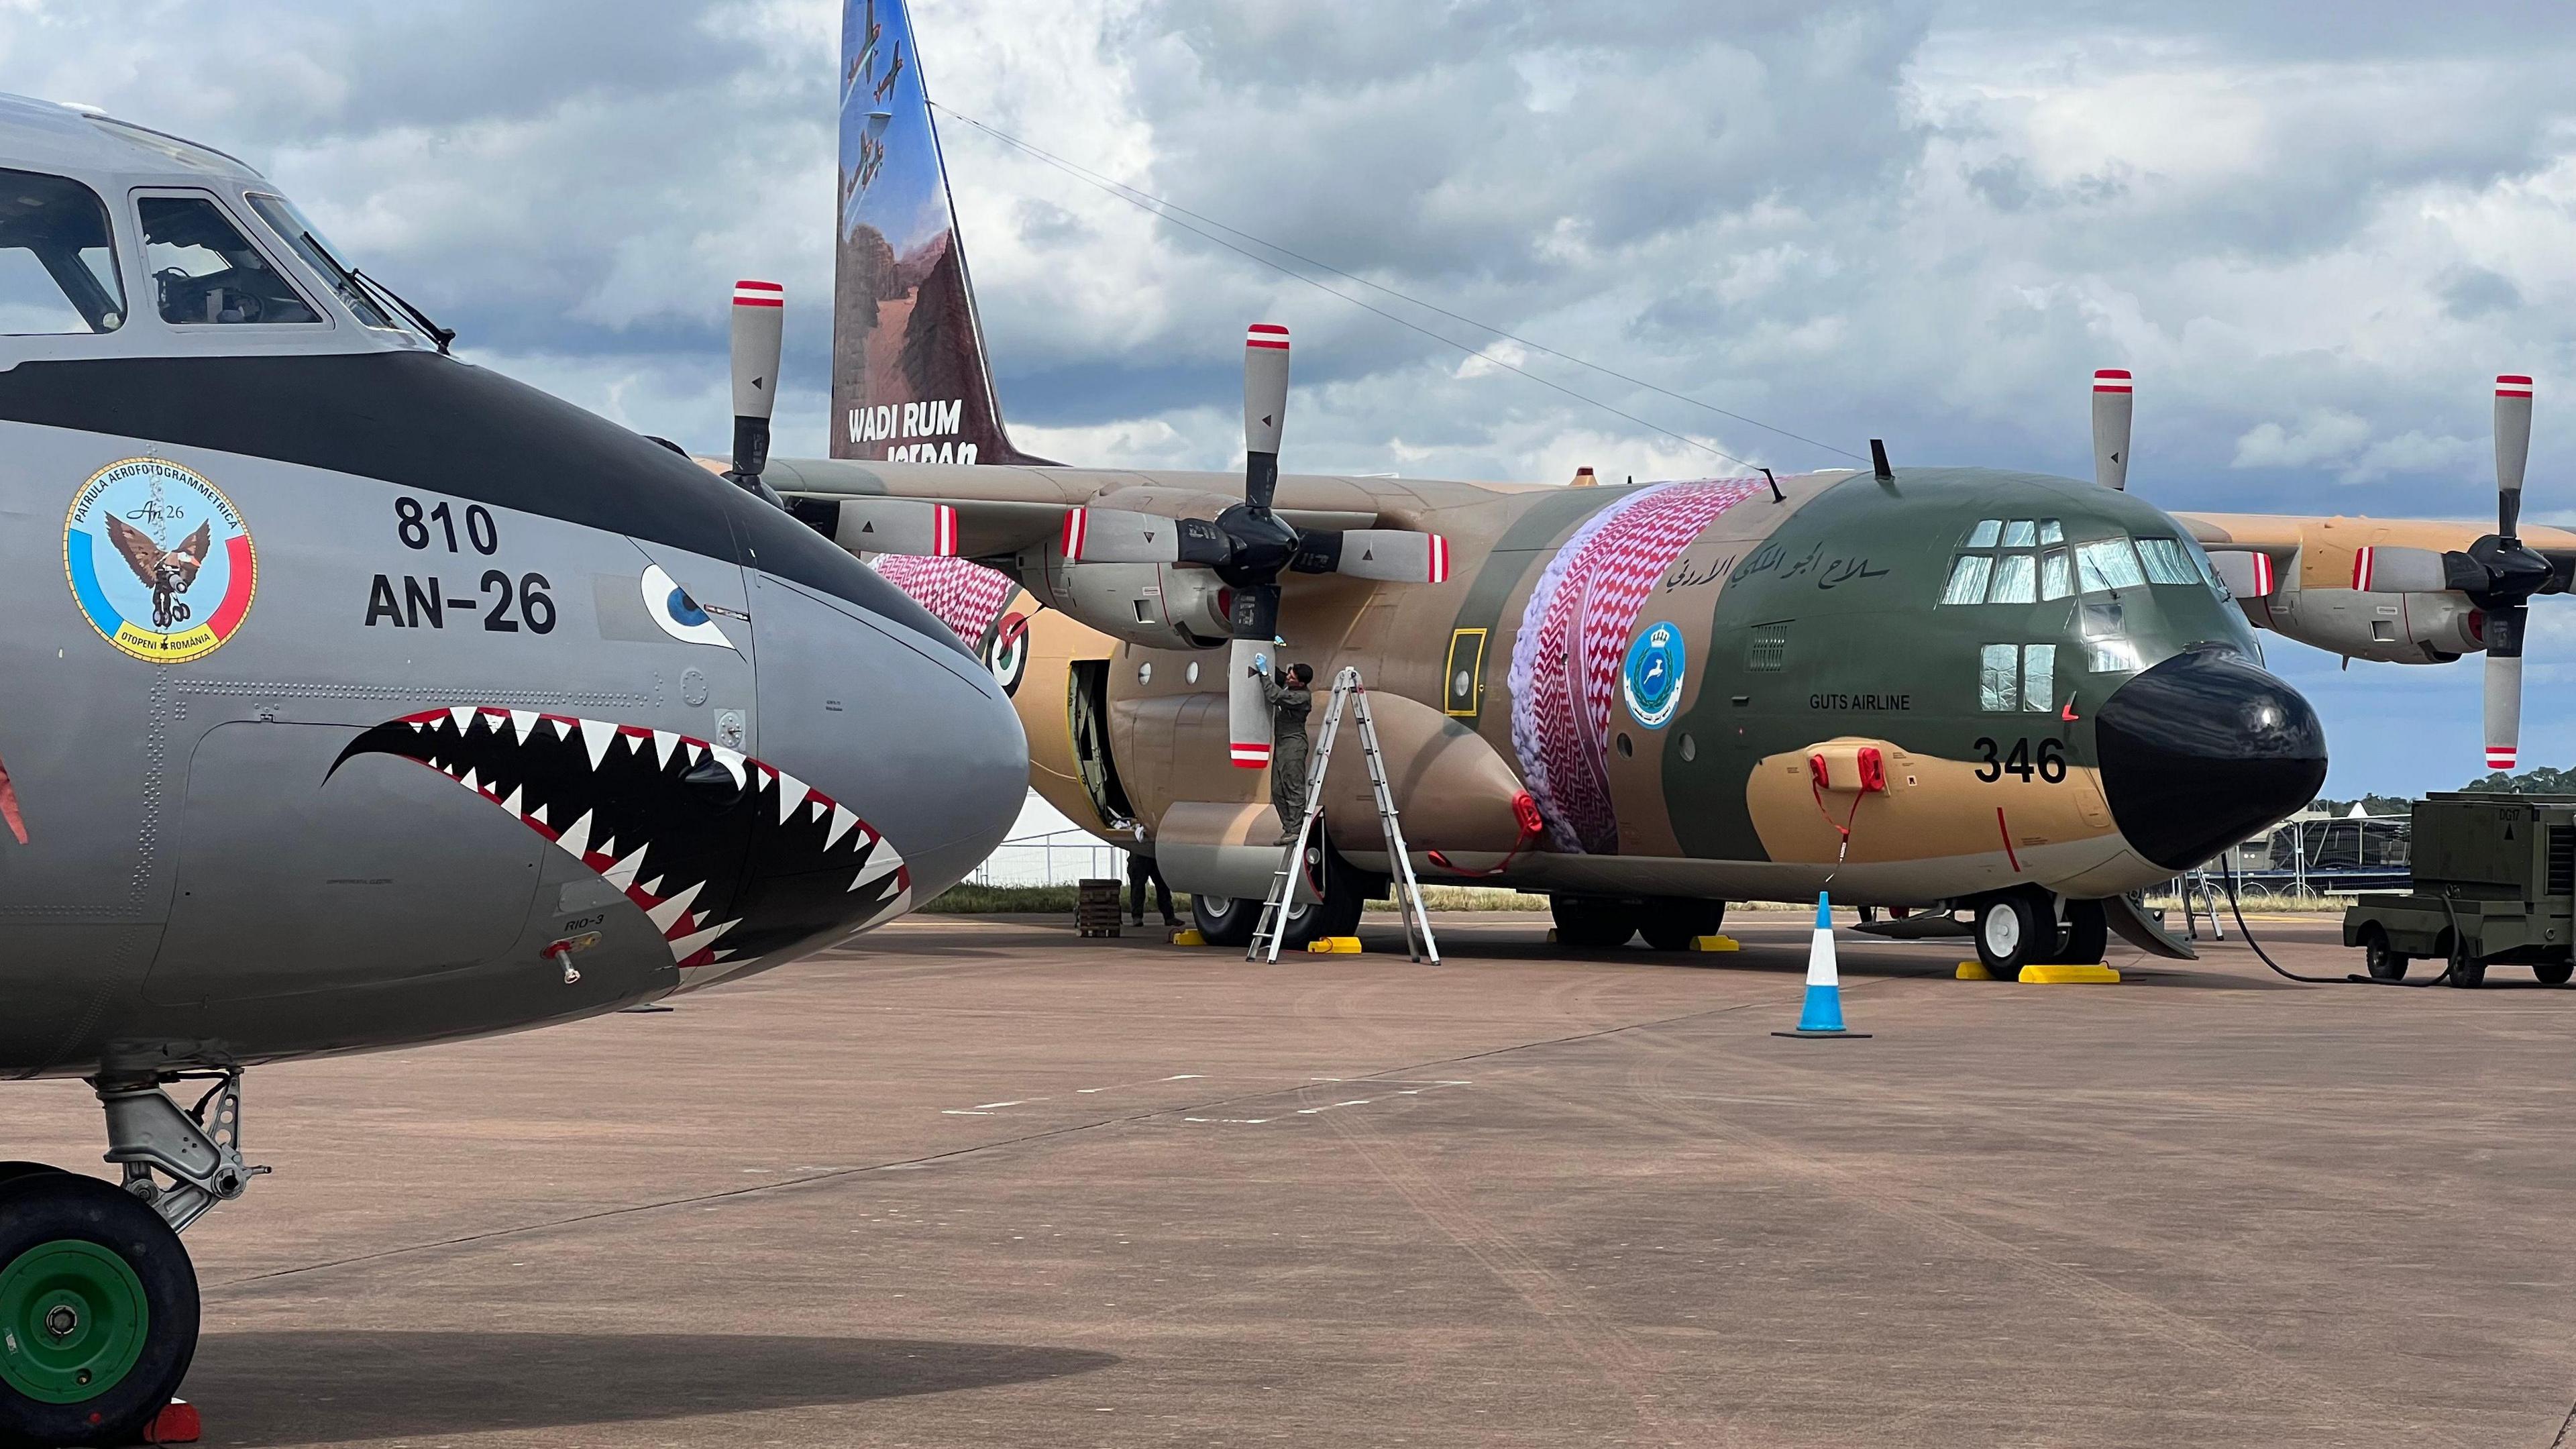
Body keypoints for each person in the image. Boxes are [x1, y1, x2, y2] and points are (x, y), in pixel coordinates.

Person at [1259, 661, 1316, 844]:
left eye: (1292, 677)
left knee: (1293, 786)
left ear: (1301, 683)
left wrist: (1264, 675)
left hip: (1293, 743)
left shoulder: (1301, 697)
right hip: (1282, 743)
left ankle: (1296, 828)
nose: (1288, 677)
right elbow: (1281, 676)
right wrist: (1270, 651)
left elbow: (1274, 696)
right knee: (1277, 789)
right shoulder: (1290, 683)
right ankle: (1288, 827)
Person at [1125, 841, 1176, 930]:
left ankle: (1169, 917)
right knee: (1138, 887)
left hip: (1149, 852)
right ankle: (1137, 916)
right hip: (1142, 853)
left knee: (1162, 886)